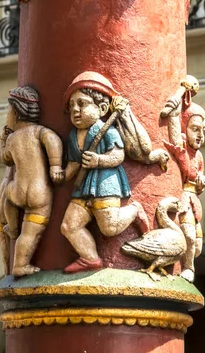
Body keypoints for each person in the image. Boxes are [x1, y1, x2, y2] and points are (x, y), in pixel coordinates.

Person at [60, 71, 150, 273]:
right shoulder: (74, 136)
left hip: (105, 183)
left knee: (109, 228)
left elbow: (118, 155)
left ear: (101, 109)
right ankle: (90, 258)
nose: (75, 110)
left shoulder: (107, 131)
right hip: (83, 187)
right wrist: (63, 175)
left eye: (82, 104)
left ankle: (135, 211)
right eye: (72, 106)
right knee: (68, 226)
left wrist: (98, 160)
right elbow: (75, 162)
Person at [0, 86, 64, 277]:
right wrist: (55, 166)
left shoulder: (12, 139)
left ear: (17, 113)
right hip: (39, 193)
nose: (7, 116)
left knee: (8, 197)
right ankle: (21, 262)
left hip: (17, 190)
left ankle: (13, 228)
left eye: (9, 111)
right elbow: (53, 141)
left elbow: (6, 159)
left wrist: (3, 141)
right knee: (30, 234)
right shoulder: (39, 132)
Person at [163, 100, 205, 283]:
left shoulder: (199, 156)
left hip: (194, 202)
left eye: (203, 130)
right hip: (184, 201)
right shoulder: (182, 150)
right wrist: (175, 105)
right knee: (188, 235)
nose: (200, 135)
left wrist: (201, 182)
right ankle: (189, 268)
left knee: (197, 247)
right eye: (195, 129)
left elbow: (200, 177)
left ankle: (189, 263)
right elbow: (173, 130)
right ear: (185, 128)